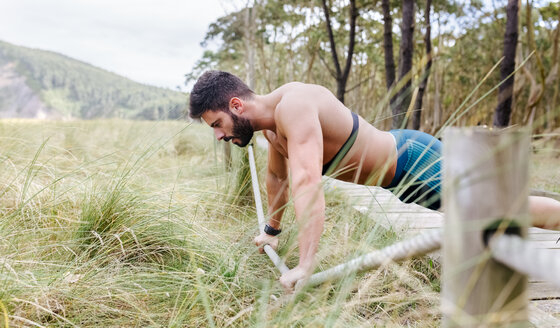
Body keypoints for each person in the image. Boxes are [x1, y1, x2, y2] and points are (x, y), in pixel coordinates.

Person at [189, 70, 560, 292]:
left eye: (217, 124)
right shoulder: (273, 131)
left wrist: (306, 265)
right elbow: (277, 177)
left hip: (413, 160)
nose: (219, 135)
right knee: (491, 216)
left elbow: (306, 184)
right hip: (402, 180)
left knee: (506, 208)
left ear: (236, 105)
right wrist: (272, 228)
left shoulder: (294, 107)